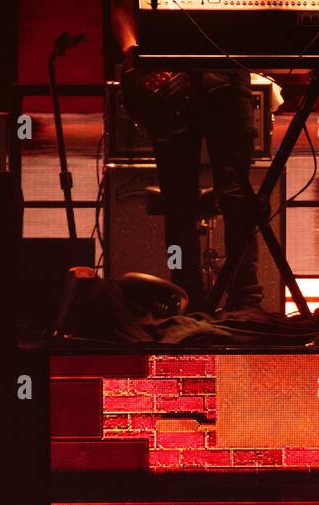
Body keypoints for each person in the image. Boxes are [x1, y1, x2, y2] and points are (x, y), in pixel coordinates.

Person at [108, 0, 263, 312]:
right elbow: (121, 5)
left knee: (236, 194)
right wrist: (133, 55)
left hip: (225, 74)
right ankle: (185, 294)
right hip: (164, 76)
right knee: (179, 201)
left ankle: (245, 297)